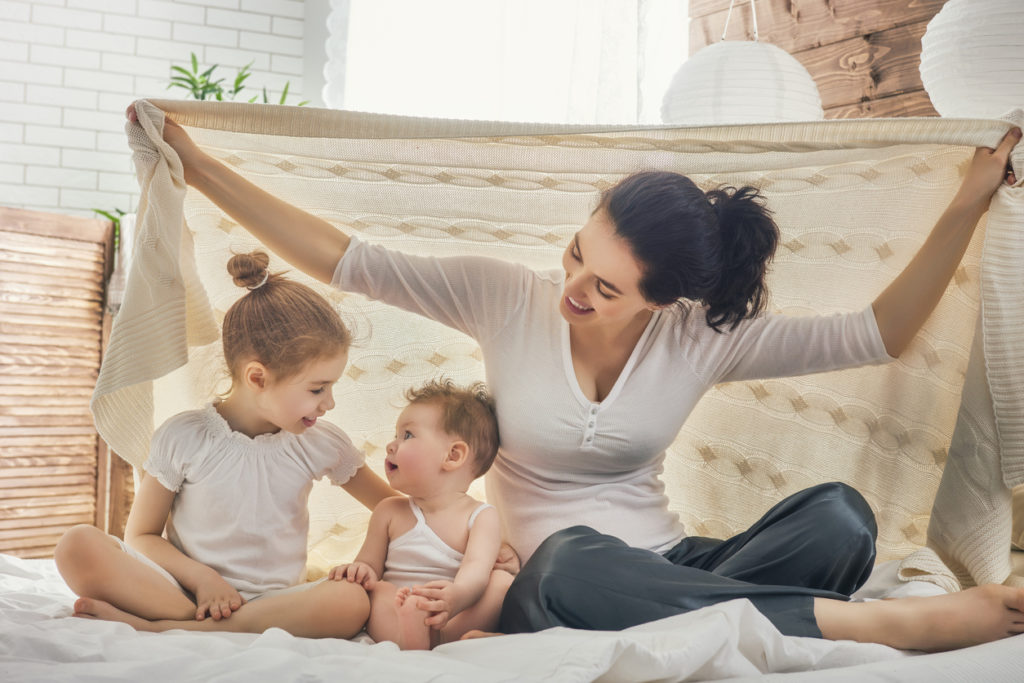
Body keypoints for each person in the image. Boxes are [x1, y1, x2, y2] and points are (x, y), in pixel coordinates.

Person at [127, 102, 1024, 653]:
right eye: (574, 256)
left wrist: (967, 202)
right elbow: (347, 257)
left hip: (670, 563)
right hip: (553, 580)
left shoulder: (705, 338)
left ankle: (730, 604)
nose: (573, 291)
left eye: (606, 287)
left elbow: (881, 330)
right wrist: (200, 169)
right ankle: (881, 625)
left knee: (840, 517)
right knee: (570, 560)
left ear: (665, 298)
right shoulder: (502, 297)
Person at [54, 250, 396, 638]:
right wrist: (202, 580)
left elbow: (393, 510)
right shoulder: (185, 437)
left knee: (350, 600)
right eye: (317, 388)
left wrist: (370, 559)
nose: (328, 403)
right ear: (257, 378)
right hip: (181, 592)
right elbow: (141, 536)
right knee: (76, 545)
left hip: (274, 604)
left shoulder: (321, 444)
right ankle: (189, 620)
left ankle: (168, 628)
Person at [328, 379, 512, 650]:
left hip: (453, 616)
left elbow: (476, 570)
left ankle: (444, 636)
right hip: (397, 611)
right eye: (396, 435)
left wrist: (455, 598)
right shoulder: (389, 511)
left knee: (502, 581)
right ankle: (410, 633)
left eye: (408, 435)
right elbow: (369, 566)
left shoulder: (481, 516)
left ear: (453, 456)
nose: (391, 445)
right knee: (377, 591)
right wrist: (359, 571)